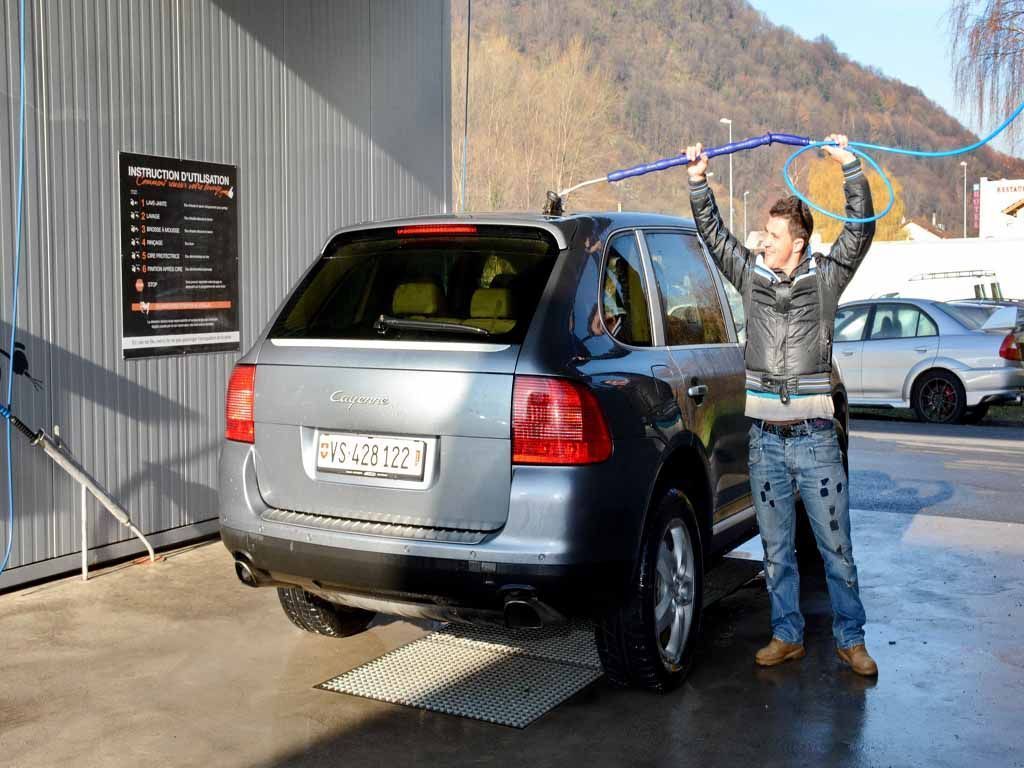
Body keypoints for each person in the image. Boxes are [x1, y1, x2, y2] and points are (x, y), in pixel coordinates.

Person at [684, 135, 878, 676]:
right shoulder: (752, 278)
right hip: (765, 440)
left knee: (836, 551)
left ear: (797, 242)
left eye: (773, 236)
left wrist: (850, 168)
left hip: (816, 439)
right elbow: (714, 237)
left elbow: (860, 232)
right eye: (765, 234)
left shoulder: (826, 281)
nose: (763, 242)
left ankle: (851, 640)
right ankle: (786, 635)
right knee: (776, 554)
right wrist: (699, 181)